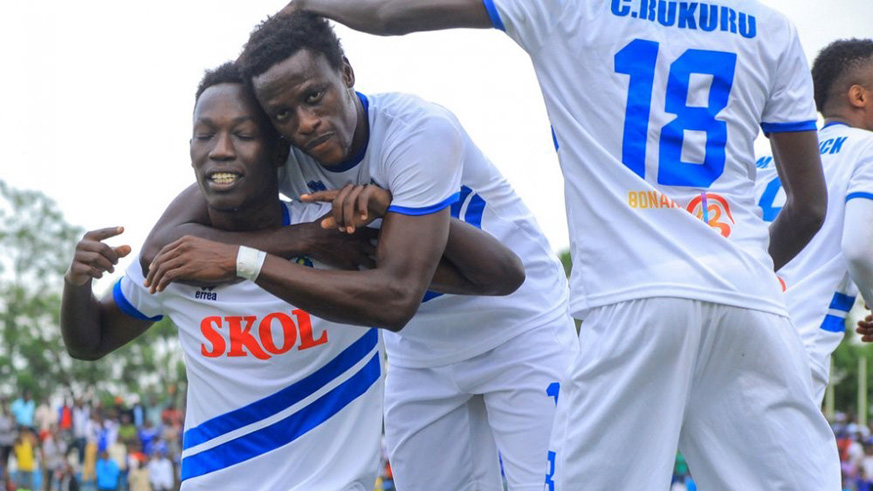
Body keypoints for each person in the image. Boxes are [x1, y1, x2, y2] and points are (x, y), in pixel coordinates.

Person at [280, 0, 845, 489]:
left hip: (631, 298)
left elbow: (387, 13)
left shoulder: (572, 6)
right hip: (748, 298)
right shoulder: (771, 26)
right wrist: (727, 272)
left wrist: (305, 6)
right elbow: (810, 209)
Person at [145, 13, 577, 491]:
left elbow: (396, 297)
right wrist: (303, 240)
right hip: (421, 353)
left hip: (518, 329)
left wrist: (246, 259)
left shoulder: (417, 133)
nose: (307, 123)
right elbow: (159, 248)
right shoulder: (288, 156)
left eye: (315, 97)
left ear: (346, 74)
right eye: (283, 115)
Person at [61, 63, 522, 490]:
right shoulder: (180, 259)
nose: (221, 150)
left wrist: (401, 207)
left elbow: (498, 275)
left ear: (279, 148)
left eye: (242, 134)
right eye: (204, 135)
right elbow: (91, 341)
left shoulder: (333, 232)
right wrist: (76, 284)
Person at [756, 38, 873, 403]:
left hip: (732, 328)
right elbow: (859, 248)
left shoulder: (768, 163)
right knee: (804, 462)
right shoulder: (866, 149)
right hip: (794, 345)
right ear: (859, 96)